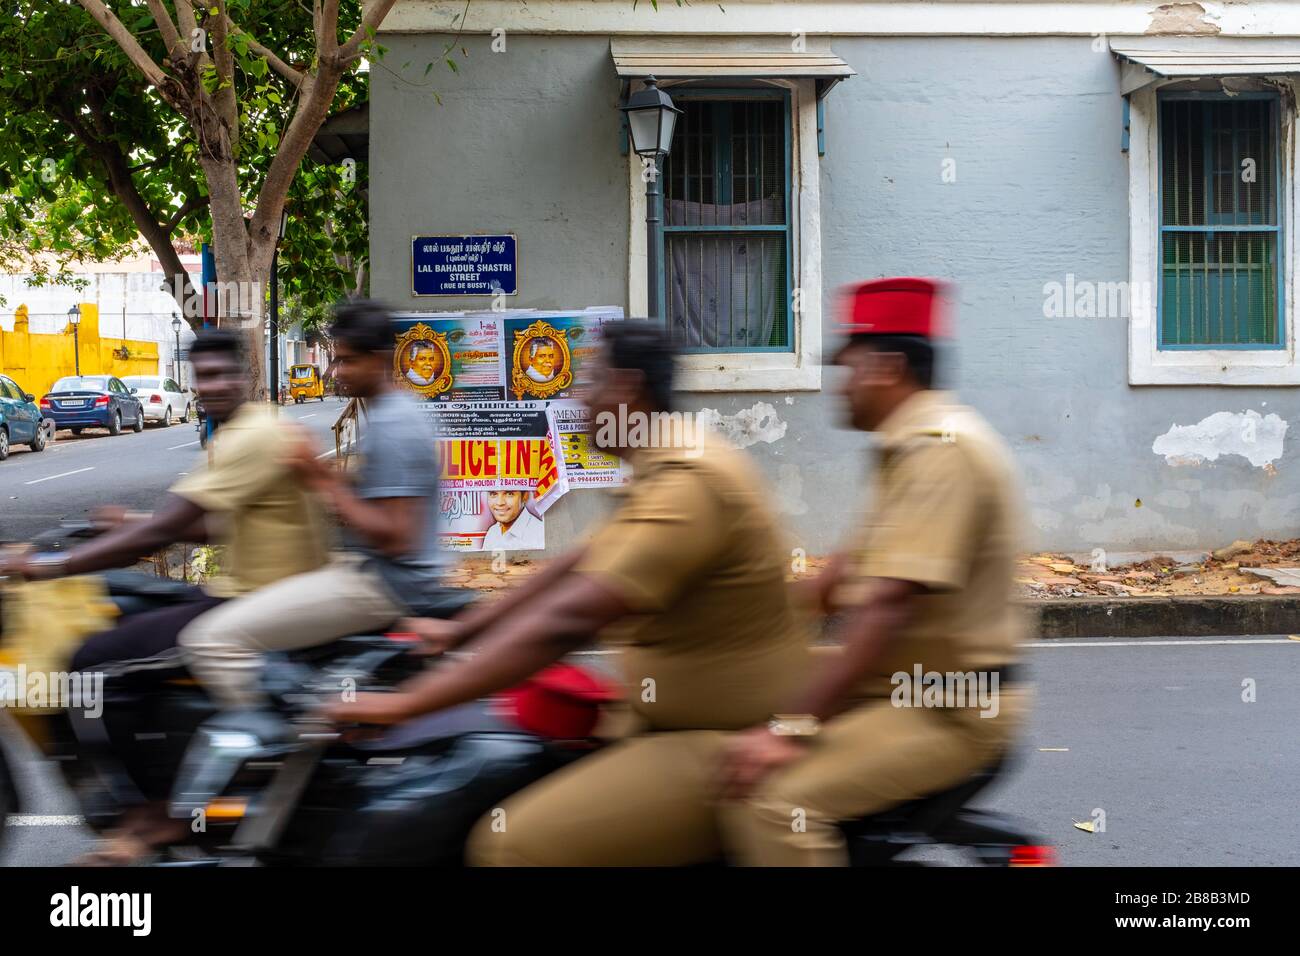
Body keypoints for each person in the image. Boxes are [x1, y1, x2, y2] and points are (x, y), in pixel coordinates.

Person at [327, 321, 810, 866]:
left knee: (510, 845)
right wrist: (461, 630)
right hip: (658, 720)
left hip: (721, 740)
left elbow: (568, 622)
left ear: (626, 389)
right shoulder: (662, 464)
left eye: (590, 382)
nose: (579, 399)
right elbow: (577, 565)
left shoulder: (687, 482)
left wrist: (405, 706)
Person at [717, 277, 1032, 866]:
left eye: (849, 368)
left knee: (772, 803)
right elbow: (831, 586)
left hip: (947, 708)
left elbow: (884, 606)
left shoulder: (940, 450)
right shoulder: (905, 448)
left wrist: (786, 729)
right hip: (901, 689)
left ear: (887, 368)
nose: (843, 386)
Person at [0, 328, 330, 863]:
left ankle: (150, 815)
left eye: (225, 373)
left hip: (256, 604)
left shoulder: (250, 437)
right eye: (205, 376)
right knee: (118, 599)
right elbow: (215, 523)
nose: (216, 384)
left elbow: (166, 530)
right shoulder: (242, 431)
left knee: (89, 663)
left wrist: (46, 566)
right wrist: (126, 522)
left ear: (246, 375)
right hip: (239, 589)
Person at [178, 299, 449, 710]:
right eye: (336, 360)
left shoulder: (395, 424)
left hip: (383, 584)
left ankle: (273, 744)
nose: (337, 372)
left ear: (378, 360)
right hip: (371, 570)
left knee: (211, 639)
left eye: (346, 361)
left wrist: (320, 477)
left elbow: (396, 538)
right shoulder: (390, 413)